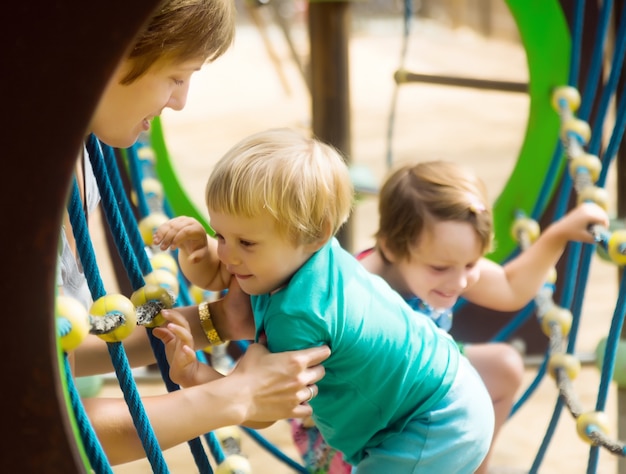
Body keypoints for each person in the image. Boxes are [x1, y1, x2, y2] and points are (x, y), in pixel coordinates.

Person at [57, 0, 330, 466]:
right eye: (177, 76)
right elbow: (42, 411)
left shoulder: (81, 156)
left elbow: (62, 345)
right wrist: (230, 398)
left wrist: (215, 321)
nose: (180, 101)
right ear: (112, 50)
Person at [152, 127, 495, 473]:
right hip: (447, 390)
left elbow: (260, 408)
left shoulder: (298, 318)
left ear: (315, 233)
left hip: (430, 424)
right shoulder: (305, 253)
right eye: (219, 234)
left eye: (246, 243)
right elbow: (220, 272)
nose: (227, 254)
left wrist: (195, 374)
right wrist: (198, 251)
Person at [288, 159, 611, 473]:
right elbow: (303, 351)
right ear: (391, 248)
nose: (459, 282)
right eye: (440, 268)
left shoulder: (444, 259)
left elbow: (511, 288)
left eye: (471, 264)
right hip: (349, 430)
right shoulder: (355, 292)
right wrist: (311, 404)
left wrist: (558, 235)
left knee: (504, 367)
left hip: (420, 397)